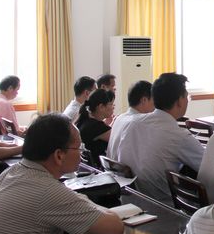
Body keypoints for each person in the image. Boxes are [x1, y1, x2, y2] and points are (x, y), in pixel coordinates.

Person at [118, 73, 204, 206]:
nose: (187, 101)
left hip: (130, 200)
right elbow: (208, 167)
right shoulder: (178, 136)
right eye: (187, 97)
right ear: (179, 101)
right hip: (164, 207)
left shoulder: (134, 123)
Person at [107, 80, 154, 160]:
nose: (155, 105)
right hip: (125, 167)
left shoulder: (120, 118)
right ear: (144, 100)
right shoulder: (138, 122)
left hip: (112, 166)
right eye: (153, 100)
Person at [75, 88, 115, 164]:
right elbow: (119, 139)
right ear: (101, 107)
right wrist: (118, 122)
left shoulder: (85, 120)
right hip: (97, 168)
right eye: (110, 104)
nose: (113, 107)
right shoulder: (96, 127)